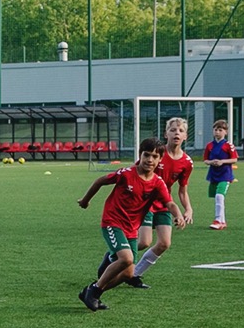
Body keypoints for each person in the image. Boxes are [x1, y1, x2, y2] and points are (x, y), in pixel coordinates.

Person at [76, 139, 173, 311]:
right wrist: (85, 201)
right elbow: (100, 181)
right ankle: (94, 290)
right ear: (140, 155)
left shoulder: (158, 182)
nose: (150, 160)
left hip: (131, 228)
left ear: (159, 160)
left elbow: (169, 203)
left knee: (128, 273)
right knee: (127, 259)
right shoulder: (127, 174)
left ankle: (92, 291)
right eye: (146, 155)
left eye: (154, 156)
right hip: (112, 221)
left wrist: (179, 215)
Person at [129, 116, 194, 284]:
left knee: (164, 243)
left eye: (181, 131)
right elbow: (136, 172)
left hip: (164, 204)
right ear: (166, 134)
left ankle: (134, 274)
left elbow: (182, 190)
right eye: (173, 130)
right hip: (145, 202)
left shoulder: (187, 162)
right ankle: (116, 254)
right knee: (144, 241)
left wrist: (188, 209)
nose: (176, 134)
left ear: (186, 136)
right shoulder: (156, 154)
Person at [204, 119, 238, 229]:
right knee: (217, 197)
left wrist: (222, 161)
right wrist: (211, 162)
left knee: (219, 195)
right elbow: (205, 160)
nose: (217, 132)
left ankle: (218, 220)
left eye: (220, 130)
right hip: (214, 174)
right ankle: (222, 221)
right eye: (215, 130)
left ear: (225, 132)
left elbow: (234, 159)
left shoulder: (228, 145)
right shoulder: (209, 146)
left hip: (225, 175)